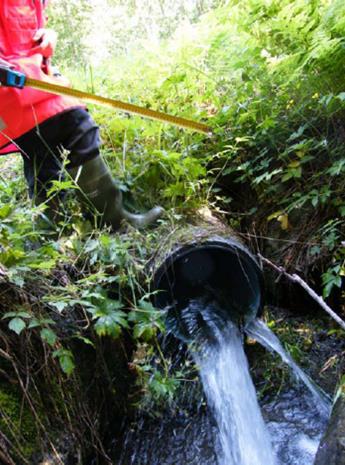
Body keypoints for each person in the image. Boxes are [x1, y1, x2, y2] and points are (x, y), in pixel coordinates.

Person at [0, 0, 163, 230]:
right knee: (77, 126)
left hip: (32, 81)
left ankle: (50, 241)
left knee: (41, 156)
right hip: (10, 91)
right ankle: (115, 222)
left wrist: (48, 35)